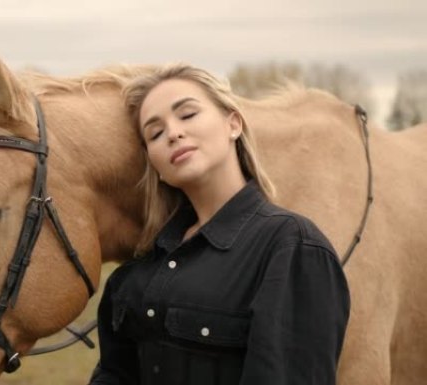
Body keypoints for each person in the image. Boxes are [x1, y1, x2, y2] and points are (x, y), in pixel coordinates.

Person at [89, 64, 350, 385]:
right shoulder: (135, 275)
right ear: (154, 165)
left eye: (187, 114)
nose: (173, 133)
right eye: (155, 133)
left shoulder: (291, 247)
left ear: (233, 123)